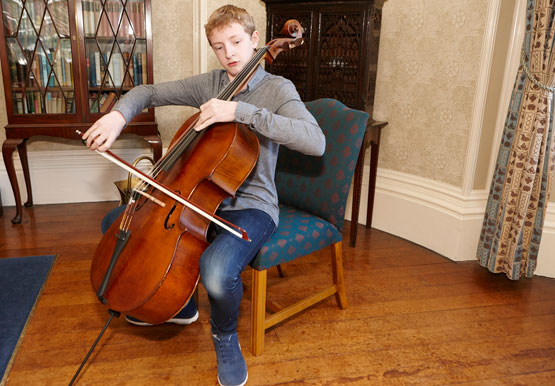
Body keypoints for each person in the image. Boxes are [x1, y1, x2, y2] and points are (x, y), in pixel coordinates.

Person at [82, 5, 325, 386]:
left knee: (216, 270)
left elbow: (316, 141)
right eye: (218, 46)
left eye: (236, 42)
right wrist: (118, 115)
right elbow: (148, 92)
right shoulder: (212, 83)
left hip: (250, 207)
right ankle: (182, 305)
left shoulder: (278, 89)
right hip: (194, 199)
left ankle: (224, 337)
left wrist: (240, 112)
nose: (229, 53)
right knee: (117, 224)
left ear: (255, 40)